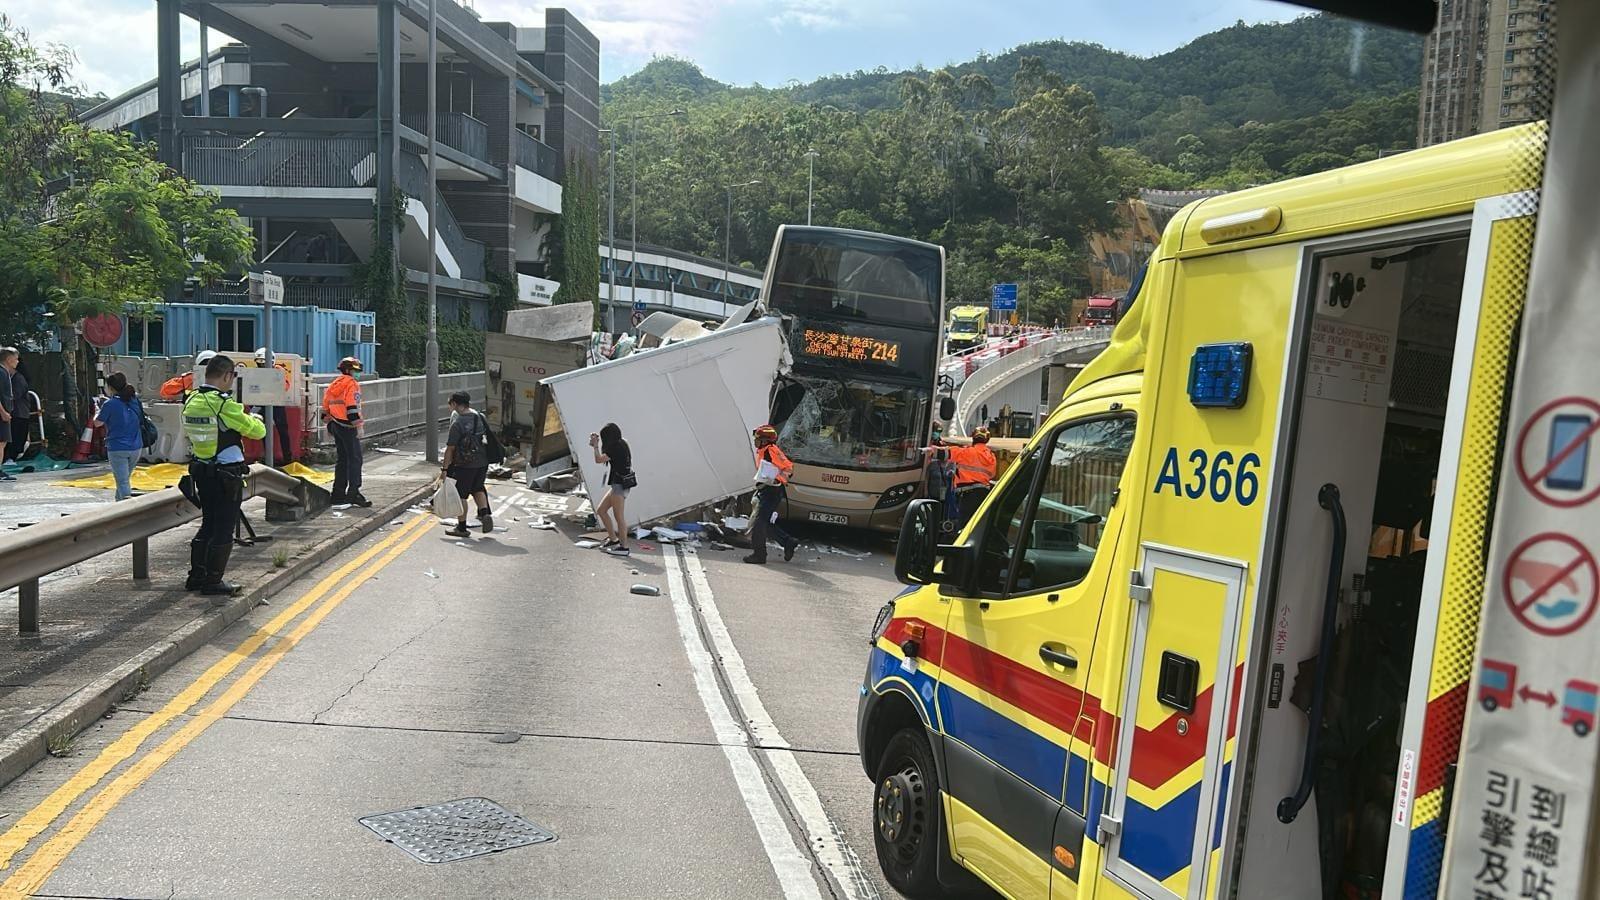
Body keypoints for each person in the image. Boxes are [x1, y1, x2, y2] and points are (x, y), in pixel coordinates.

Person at [182, 354, 266, 594]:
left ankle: (197, 576)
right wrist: (255, 419)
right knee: (224, 527)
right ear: (228, 375)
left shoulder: (192, 400)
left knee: (208, 523)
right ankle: (214, 580)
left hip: (202, 470)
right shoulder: (222, 403)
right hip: (226, 474)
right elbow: (256, 431)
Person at [440, 391, 492, 538]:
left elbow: (450, 449)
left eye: (450, 403)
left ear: (455, 404)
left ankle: (461, 528)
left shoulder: (458, 423)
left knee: (461, 495)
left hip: (465, 464)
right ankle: (484, 513)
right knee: (477, 488)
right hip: (482, 462)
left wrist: (445, 469)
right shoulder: (479, 417)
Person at [746, 424, 799, 565]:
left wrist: (777, 478)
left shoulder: (771, 451)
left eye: (758, 439)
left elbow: (788, 468)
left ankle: (759, 555)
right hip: (767, 489)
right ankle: (788, 542)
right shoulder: (765, 450)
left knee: (759, 523)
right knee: (764, 522)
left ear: (765, 440)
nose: (755, 441)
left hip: (772, 490)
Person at [322, 356, 370, 507]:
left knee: (342, 460)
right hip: (348, 426)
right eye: (355, 371)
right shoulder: (352, 384)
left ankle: (338, 494)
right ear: (348, 370)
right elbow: (351, 407)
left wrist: (330, 425)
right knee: (355, 459)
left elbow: (325, 410)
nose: (357, 374)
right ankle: (353, 493)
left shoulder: (333, 384)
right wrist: (358, 425)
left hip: (335, 425)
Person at [100, 373, 147, 501]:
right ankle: (118, 505)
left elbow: (97, 423)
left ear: (110, 387)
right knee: (123, 480)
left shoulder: (109, 404)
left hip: (117, 448)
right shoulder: (134, 400)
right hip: (136, 447)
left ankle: (126, 509)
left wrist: (97, 411)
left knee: (123, 482)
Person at [589, 422, 634, 556]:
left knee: (619, 517)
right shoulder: (623, 443)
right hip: (619, 484)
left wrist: (595, 446)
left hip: (619, 485)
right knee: (601, 510)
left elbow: (598, 460)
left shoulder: (615, 447)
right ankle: (614, 540)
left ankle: (624, 547)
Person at [949, 426, 998, 528]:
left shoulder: (966, 452)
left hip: (967, 495)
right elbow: (992, 474)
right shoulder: (991, 456)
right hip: (984, 494)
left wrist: (929, 449)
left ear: (973, 438)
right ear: (987, 440)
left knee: (965, 526)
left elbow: (945, 453)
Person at [253, 348, 294, 465]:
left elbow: (284, 386)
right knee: (263, 431)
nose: (261, 365)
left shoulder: (278, 371)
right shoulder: (255, 373)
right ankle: (268, 457)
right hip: (262, 403)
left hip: (277, 403)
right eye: (259, 363)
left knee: (283, 431)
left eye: (263, 362)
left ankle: (288, 459)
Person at [5, 355, 30, 463]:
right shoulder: (12, 378)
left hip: (18, 414)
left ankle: (10, 458)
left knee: (14, 439)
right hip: (15, 414)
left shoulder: (18, 379)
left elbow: (14, 396)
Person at [0, 347, 15, 481]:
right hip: (1, 414)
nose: (17, 362)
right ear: (9, 359)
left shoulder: (5, 372)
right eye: (15, 359)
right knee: (1, 442)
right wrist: (3, 412)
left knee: (2, 442)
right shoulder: (1, 372)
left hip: (4, 413)